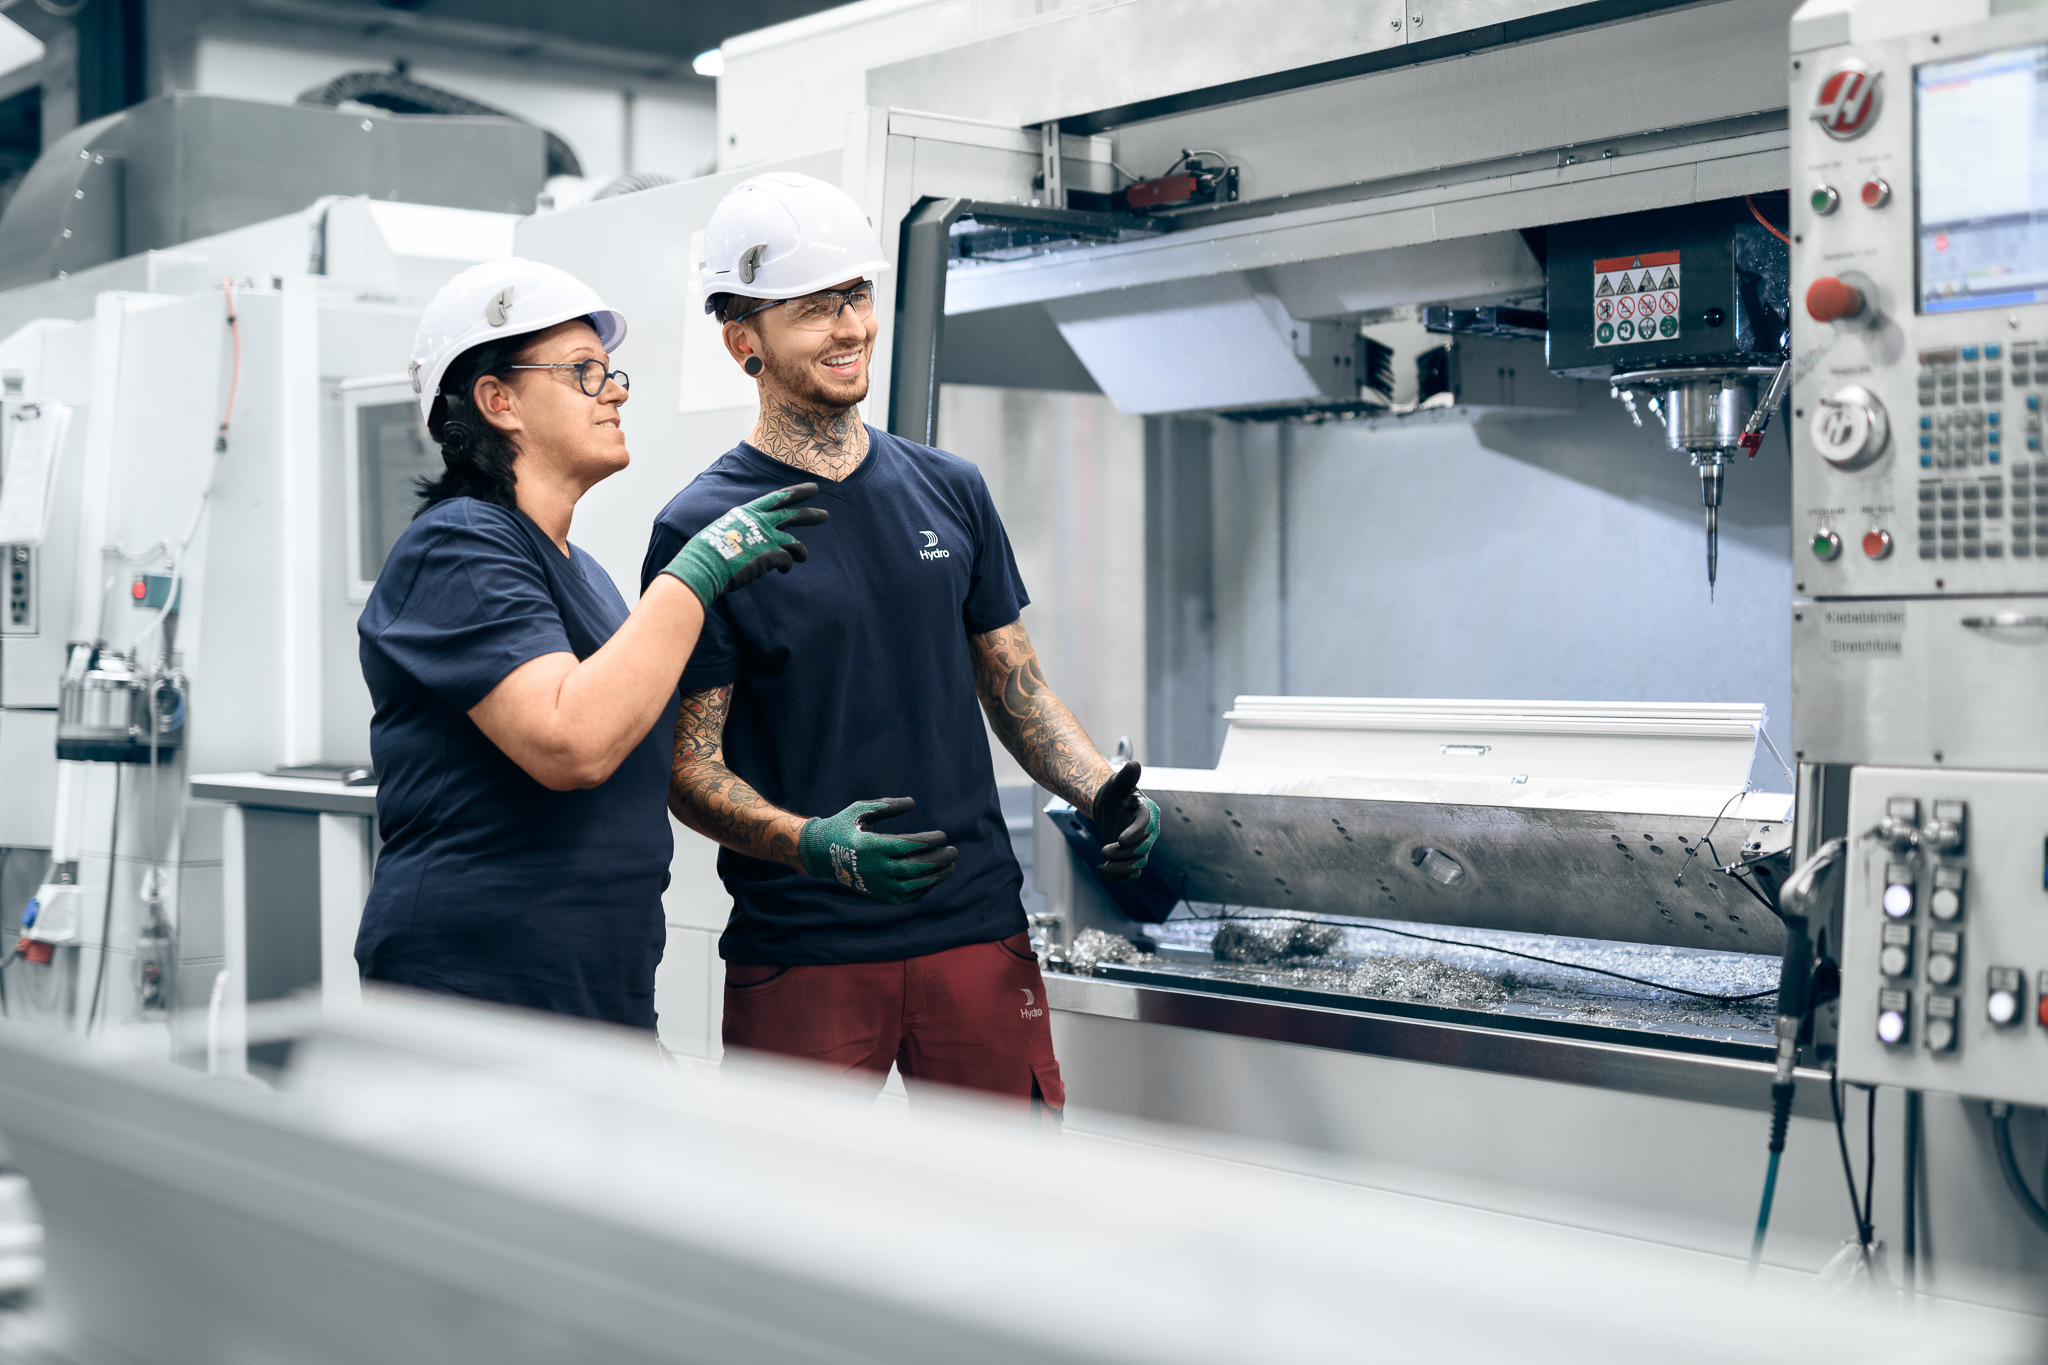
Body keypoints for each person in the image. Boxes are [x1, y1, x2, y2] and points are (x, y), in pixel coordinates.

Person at [643, 173, 1160, 1112]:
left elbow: (1017, 686)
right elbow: (686, 764)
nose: (850, 328)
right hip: (804, 946)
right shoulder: (703, 530)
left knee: (1003, 1212)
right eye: (814, 310)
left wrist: (1098, 790)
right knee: (796, 1229)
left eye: (858, 297)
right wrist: (814, 847)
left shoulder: (950, 488)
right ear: (742, 342)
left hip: (977, 932)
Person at [356, 257, 825, 1028]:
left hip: (592, 988)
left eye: (611, 372)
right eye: (583, 372)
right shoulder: (458, 547)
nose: (614, 391)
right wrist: (695, 573)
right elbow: (572, 743)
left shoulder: (588, 578)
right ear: (497, 399)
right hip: (478, 995)